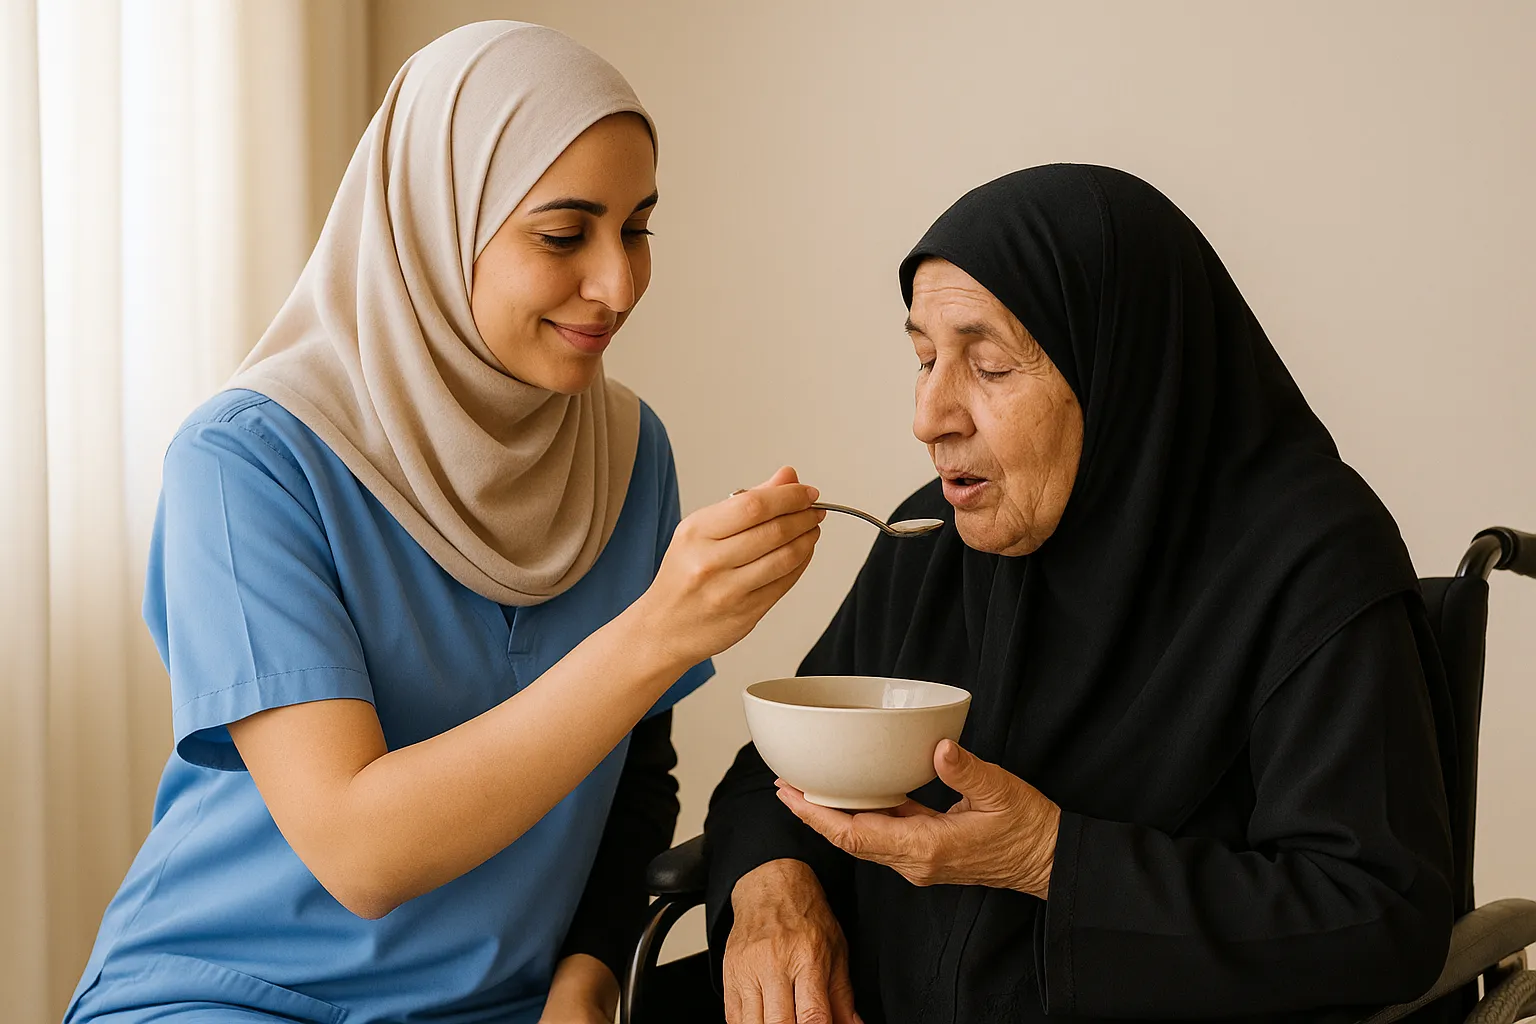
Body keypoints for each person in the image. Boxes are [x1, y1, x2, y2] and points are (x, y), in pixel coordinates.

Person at [65, 22, 823, 1024]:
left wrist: (589, 972)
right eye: (563, 235)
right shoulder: (246, 462)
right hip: (232, 994)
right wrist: (659, 632)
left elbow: (638, 772)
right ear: (434, 223)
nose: (620, 283)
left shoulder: (632, 455)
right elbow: (360, 851)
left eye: (637, 227)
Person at [705, 164, 1455, 1024]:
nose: (929, 415)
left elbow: (1380, 915)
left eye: (987, 365)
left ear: (1119, 370)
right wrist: (773, 892)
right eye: (923, 357)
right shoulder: (931, 543)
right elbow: (774, 774)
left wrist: (1049, 858)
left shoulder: (1307, 559)